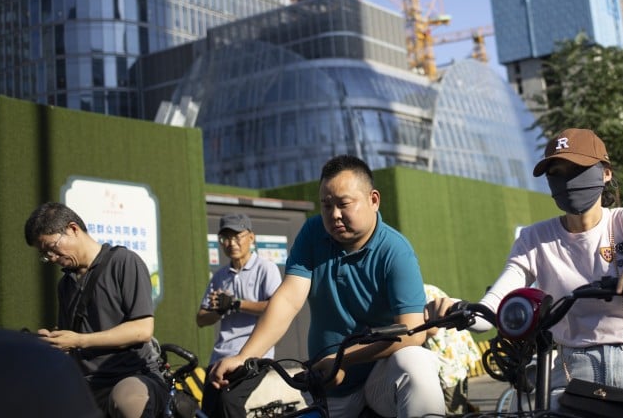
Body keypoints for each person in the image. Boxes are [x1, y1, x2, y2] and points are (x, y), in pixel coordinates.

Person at [429, 128, 623, 418]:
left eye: (577, 169)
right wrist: (459, 310)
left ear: (605, 173)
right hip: (572, 373)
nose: (567, 180)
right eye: (556, 172)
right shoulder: (534, 238)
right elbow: (495, 304)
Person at [209, 155, 445, 418]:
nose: (334, 215)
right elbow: (288, 300)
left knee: (416, 361)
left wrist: (343, 359)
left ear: (373, 200)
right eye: (326, 205)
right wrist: (244, 357)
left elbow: (411, 331)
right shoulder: (312, 233)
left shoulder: (396, 250)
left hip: (380, 378)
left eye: (344, 204)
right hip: (330, 386)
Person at [23, 201, 169, 418]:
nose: (51, 258)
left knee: (127, 400)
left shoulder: (123, 262)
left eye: (52, 248)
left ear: (73, 229)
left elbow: (142, 330)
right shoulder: (65, 284)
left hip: (132, 376)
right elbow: (71, 338)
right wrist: (53, 340)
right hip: (87, 383)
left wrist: (79, 340)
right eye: (45, 255)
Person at [197, 213, 283, 417]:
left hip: (254, 355)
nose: (231, 243)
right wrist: (219, 310)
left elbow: (277, 308)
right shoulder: (220, 276)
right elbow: (201, 318)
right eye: (225, 238)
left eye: (237, 236)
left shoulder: (266, 269)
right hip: (220, 356)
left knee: (229, 402)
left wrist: (236, 304)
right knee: (208, 410)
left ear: (251, 237)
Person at [0, 327, 102, 417]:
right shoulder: (65, 286)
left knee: (124, 397)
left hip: (113, 377)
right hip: (78, 377)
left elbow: (126, 331)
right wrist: (52, 337)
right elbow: (67, 330)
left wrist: (80, 340)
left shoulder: (116, 277)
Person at [423, 283, 482, 414]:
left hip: (448, 362)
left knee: (453, 409)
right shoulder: (427, 289)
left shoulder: (418, 296)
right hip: (455, 356)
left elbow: (432, 329)